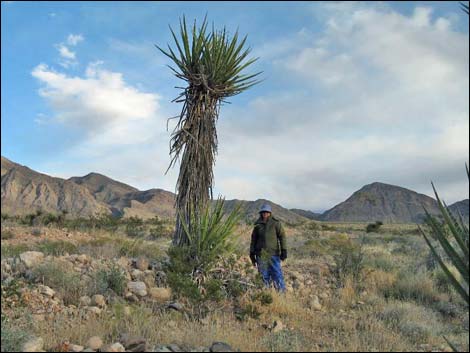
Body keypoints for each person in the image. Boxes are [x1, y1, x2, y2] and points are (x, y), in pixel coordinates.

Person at [249, 203, 287, 292]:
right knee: (263, 276)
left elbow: (282, 236)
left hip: (273, 254)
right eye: (263, 212)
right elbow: (253, 239)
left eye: (266, 212)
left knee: (277, 274)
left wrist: (284, 250)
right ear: (261, 213)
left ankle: (281, 295)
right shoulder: (257, 225)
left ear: (270, 213)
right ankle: (266, 294)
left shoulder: (276, 223)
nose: (265, 214)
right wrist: (252, 253)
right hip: (261, 255)